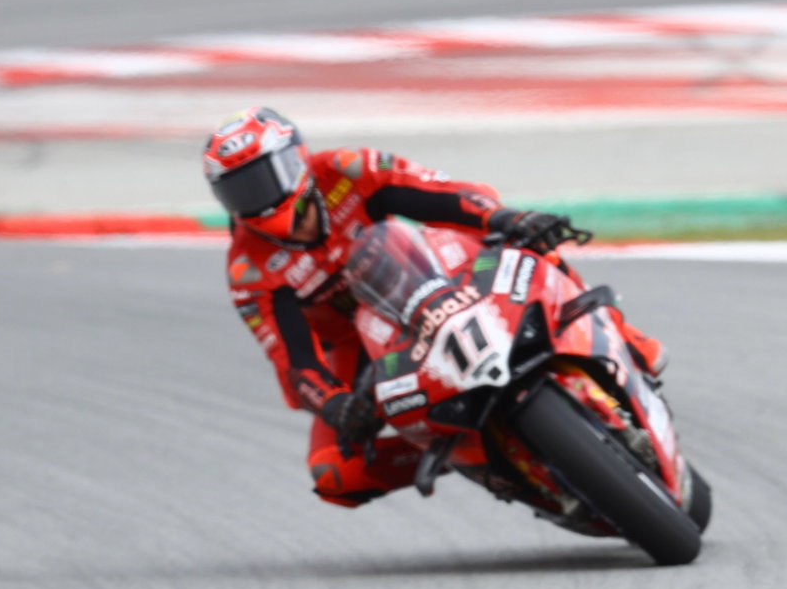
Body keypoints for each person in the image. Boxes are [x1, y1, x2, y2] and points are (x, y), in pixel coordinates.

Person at [202, 106, 666, 508]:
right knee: (333, 475)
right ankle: (467, 454)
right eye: (238, 190)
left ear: (296, 160)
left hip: (429, 272)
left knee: (525, 241)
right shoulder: (249, 270)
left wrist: (505, 218)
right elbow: (295, 363)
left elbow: (440, 193)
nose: (257, 198)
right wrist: (339, 406)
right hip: (358, 344)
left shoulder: (347, 168)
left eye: (264, 178)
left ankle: (621, 336)